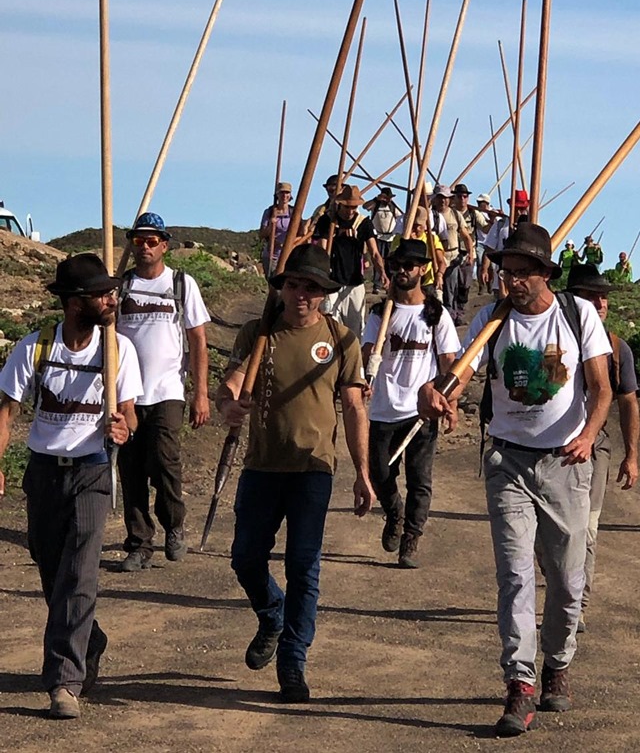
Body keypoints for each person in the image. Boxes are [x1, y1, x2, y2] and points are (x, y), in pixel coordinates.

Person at [418, 222, 612, 737]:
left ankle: (558, 663)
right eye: (507, 272)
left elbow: (601, 388)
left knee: (567, 580)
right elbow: (460, 373)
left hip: (566, 463)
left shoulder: (578, 314)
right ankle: (520, 683)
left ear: (546, 273)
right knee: (516, 575)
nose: (513, 282)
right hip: (508, 462)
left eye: (523, 272)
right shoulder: (492, 320)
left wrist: (589, 435)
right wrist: (438, 394)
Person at [216, 244, 375, 703]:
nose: (301, 294)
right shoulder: (258, 332)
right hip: (261, 466)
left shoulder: (341, 339)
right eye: (293, 284)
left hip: (313, 469)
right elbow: (231, 382)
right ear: (282, 287)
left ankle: (293, 660)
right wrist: (228, 404)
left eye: (311, 287)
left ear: (324, 293)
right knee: (245, 558)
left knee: (303, 566)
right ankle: (272, 613)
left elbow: (353, 407)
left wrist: (362, 472)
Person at [0, 254, 142, 719]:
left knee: (79, 574)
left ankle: (64, 682)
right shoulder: (36, 348)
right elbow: (6, 413)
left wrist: (123, 428)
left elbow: (130, 413)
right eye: (102, 294)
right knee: (51, 571)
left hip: (92, 471)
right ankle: (88, 637)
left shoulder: (118, 349)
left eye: (111, 292)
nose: (111, 300)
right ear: (75, 302)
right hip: (43, 473)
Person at [115, 212, 211, 571]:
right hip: (127, 393)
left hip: (168, 389)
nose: (144, 247)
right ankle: (139, 544)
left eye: (152, 241)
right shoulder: (121, 287)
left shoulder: (181, 284)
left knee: (164, 461)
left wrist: (201, 393)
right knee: (131, 469)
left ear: (165, 246)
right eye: (138, 240)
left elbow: (198, 340)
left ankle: (174, 524)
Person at [362, 238, 460, 568]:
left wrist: (450, 403)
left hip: (421, 411)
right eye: (396, 266)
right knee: (380, 473)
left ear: (422, 270)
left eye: (409, 266)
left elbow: (449, 362)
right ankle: (395, 514)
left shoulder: (435, 313)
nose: (402, 271)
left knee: (419, 479)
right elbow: (367, 353)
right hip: (384, 407)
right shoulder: (380, 313)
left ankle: (412, 537)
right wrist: (369, 363)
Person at [565, 264, 639, 632]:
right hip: (549, 447)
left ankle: (576, 607)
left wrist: (632, 455)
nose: (600, 303)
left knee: (588, 530)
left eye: (604, 296)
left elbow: (628, 402)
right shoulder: (554, 340)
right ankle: (563, 587)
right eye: (591, 296)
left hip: (596, 448)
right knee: (548, 537)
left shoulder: (616, 349)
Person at [313, 184, 389, 340]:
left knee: (356, 329)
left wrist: (382, 273)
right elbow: (322, 250)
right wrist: (337, 233)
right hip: (331, 282)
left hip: (354, 282)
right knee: (330, 326)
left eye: (354, 207)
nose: (350, 211)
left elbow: (375, 252)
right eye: (347, 207)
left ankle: (354, 355)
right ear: (340, 204)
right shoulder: (327, 221)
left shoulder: (363, 223)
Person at [430, 185, 474, 325]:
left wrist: (470, 253)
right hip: (435, 257)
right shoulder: (431, 215)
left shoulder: (455, 214)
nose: (443, 201)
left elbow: (466, 236)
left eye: (446, 198)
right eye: (440, 198)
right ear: (435, 199)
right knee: (436, 289)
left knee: (451, 289)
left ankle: (450, 317)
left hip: (452, 256)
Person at [480, 189, 530, 298]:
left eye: (521, 209)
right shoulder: (500, 225)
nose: (518, 212)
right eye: (516, 208)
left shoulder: (531, 228)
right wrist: (484, 269)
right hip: (500, 281)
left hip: (523, 284)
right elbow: (489, 249)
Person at [389, 206, 446, 298]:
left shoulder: (432, 239)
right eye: (412, 225)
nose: (415, 229)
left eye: (419, 226)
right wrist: (407, 242)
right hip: (405, 281)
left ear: (425, 226)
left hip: (427, 283)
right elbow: (392, 258)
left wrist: (439, 275)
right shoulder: (399, 239)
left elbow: (441, 262)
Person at [363, 187, 401, 294]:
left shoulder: (393, 207)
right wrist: (376, 200)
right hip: (378, 236)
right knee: (377, 261)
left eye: (389, 198)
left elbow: (401, 217)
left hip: (390, 238)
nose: (387, 200)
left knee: (390, 262)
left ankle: (390, 284)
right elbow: (365, 206)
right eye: (385, 197)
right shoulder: (375, 205)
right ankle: (377, 285)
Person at [259, 183, 294, 278]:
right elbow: (262, 235)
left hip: (289, 255)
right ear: (277, 194)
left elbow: (301, 232)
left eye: (287, 192)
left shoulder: (294, 212)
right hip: (272, 255)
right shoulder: (269, 212)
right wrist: (271, 225)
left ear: (290, 195)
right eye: (282, 192)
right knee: (273, 282)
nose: (284, 195)